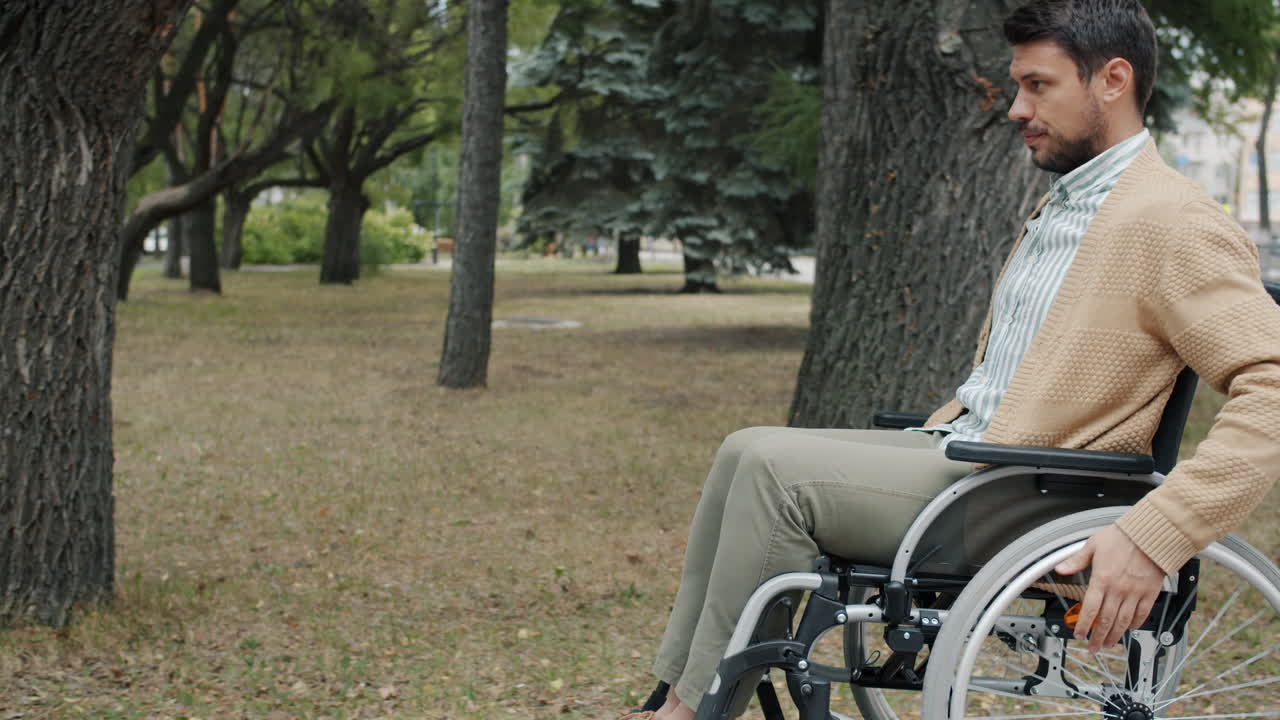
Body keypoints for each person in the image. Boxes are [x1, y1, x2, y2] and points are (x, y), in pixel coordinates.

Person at [630, 2, 1280, 719]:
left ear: (1112, 80)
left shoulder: (1174, 222)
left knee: (770, 473)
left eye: (1038, 85)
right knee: (741, 450)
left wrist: (1156, 534)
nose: (1016, 108)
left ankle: (689, 713)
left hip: (1025, 495)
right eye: (1018, 86)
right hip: (974, 453)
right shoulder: (1072, 205)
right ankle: (673, 695)